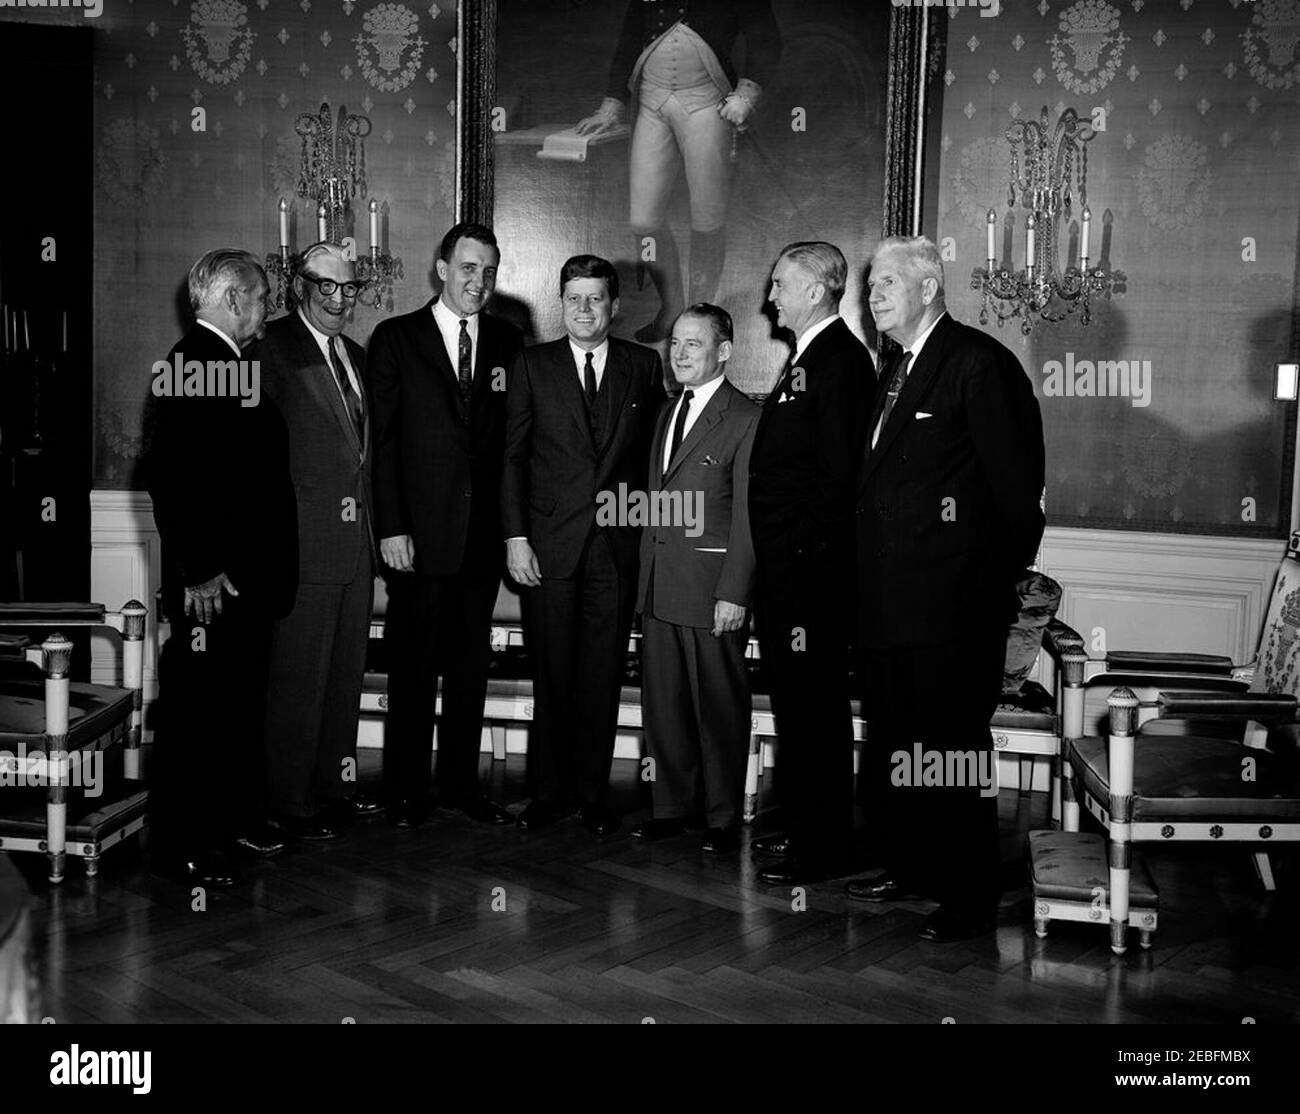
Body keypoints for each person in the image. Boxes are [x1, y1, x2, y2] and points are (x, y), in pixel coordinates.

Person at [849, 235, 1045, 942]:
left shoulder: (979, 365)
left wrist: (982, 602)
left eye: (888, 281)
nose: (873, 294)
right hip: (886, 607)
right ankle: (910, 866)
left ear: (930, 287)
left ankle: (969, 893)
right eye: (870, 283)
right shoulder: (894, 369)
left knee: (949, 752)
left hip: (953, 614)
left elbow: (1019, 501)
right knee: (898, 745)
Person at [147, 249, 297, 885]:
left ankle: (230, 825)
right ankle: (183, 847)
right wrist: (200, 571)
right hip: (214, 587)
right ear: (234, 300)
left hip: (245, 583)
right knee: (196, 718)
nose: (267, 308)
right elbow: (170, 478)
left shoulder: (230, 365)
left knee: (235, 710)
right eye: (262, 297)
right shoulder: (192, 366)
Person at [368, 223, 524, 828]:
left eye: (488, 271)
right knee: (412, 669)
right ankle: (407, 791)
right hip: (416, 538)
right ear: (440, 268)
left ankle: (460, 785)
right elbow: (381, 444)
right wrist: (392, 527)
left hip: (481, 540)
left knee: (467, 668)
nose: (477, 282)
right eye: (467, 268)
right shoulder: (396, 338)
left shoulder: (511, 342)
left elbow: (513, 442)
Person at [503, 254, 664, 837]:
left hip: (615, 551)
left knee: (601, 675)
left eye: (596, 298)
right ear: (561, 302)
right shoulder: (531, 365)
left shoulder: (643, 365)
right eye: (575, 298)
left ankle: (593, 795)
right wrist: (516, 538)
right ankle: (548, 793)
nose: (585, 309)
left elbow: (652, 461)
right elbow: (512, 458)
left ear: (614, 306)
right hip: (547, 547)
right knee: (553, 675)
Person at [747, 241, 875, 886]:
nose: (771, 296)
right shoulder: (811, 356)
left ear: (819, 290)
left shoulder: (841, 363)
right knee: (797, 708)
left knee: (815, 711)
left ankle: (822, 849)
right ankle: (804, 827)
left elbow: (837, 480)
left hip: (811, 577)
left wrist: (797, 551)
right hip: (789, 573)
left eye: (780, 285)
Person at [253, 242, 378, 842]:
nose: (338, 299)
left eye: (348, 288)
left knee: (343, 676)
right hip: (301, 546)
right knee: (297, 680)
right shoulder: (271, 348)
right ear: (299, 286)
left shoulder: (356, 354)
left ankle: (331, 789)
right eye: (325, 286)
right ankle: (287, 801)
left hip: (358, 546)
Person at [575, 0, 781, 341]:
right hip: (652, 103)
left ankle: (700, 316)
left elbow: (766, 39)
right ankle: (671, 308)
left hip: (707, 102)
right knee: (643, 221)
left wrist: (745, 95)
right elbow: (628, 41)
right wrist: (611, 106)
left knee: (708, 217)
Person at [632, 303, 759, 852]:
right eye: (674, 344)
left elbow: (750, 517)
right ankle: (670, 807)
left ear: (724, 351)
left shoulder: (746, 418)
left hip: (712, 593)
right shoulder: (666, 410)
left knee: (720, 708)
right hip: (660, 584)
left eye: (692, 344)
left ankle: (723, 818)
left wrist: (734, 592)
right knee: (664, 705)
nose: (678, 354)